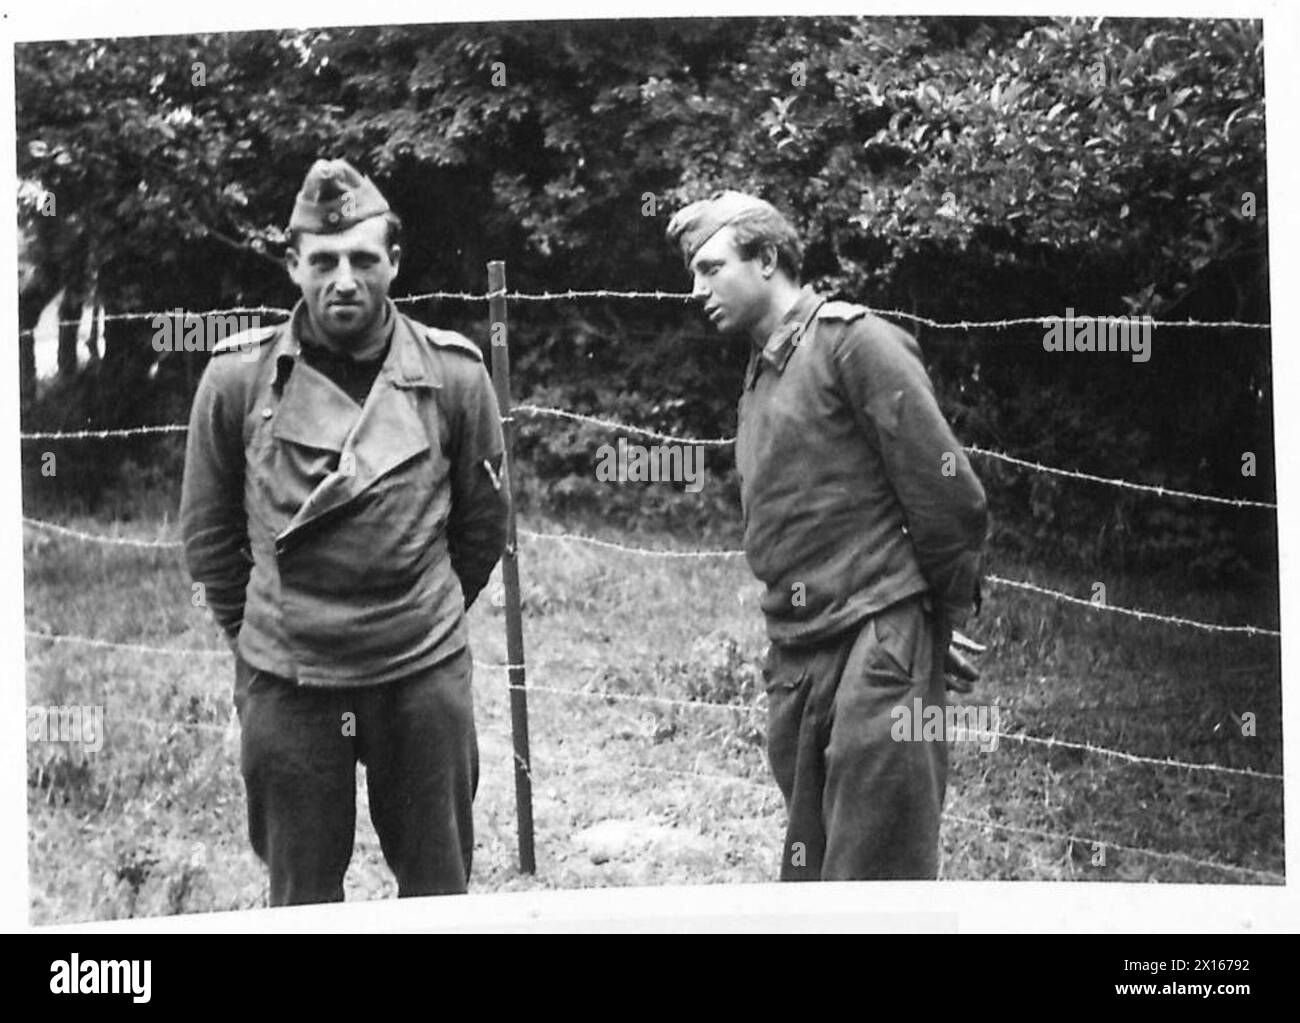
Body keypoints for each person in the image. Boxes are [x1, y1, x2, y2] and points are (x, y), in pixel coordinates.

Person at [181, 158, 508, 904]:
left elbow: (483, 526)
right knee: (300, 899)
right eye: (323, 260)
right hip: (290, 678)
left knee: (437, 888)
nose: (344, 279)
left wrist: (421, 612)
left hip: (418, 670)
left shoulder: (456, 376)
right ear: (294, 264)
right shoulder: (236, 381)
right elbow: (208, 539)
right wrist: (272, 623)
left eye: (363, 258)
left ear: (394, 261)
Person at [667, 191, 988, 880]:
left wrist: (939, 618)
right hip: (799, 653)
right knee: (811, 879)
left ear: (768, 259)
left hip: (875, 644)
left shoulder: (853, 341)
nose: (697, 290)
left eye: (710, 267)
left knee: (875, 880)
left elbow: (950, 495)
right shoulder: (762, 368)